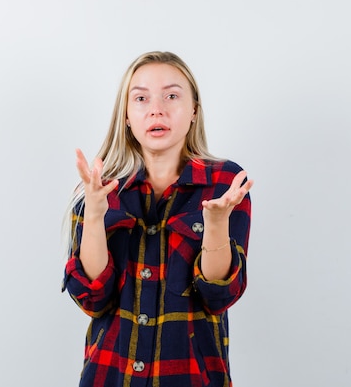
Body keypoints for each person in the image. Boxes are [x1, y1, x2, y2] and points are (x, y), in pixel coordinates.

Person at [62, 51, 253, 387]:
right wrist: (94, 214)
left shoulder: (225, 183)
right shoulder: (99, 187)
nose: (156, 109)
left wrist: (217, 223)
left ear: (193, 110)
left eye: (172, 96)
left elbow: (218, 296)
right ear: (126, 115)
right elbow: (93, 298)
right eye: (141, 98)